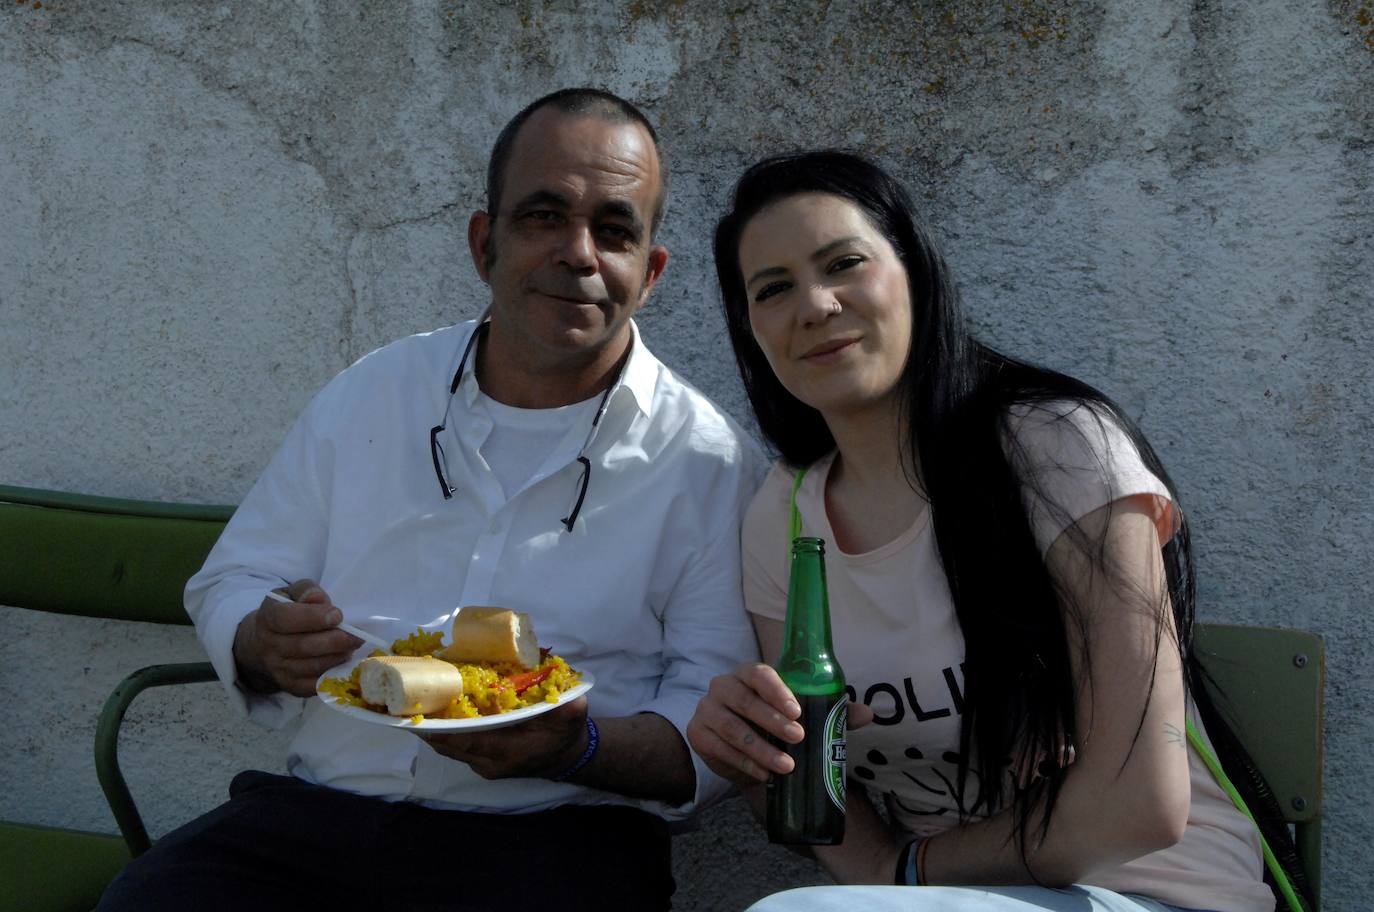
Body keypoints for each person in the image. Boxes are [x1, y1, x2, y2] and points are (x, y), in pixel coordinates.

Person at [98, 88, 764, 912]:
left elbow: (713, 725)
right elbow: (232, 579)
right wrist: (259, 640)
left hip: (554, 840)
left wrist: (576, 747)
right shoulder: (374, 393)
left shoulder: (708, 463)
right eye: (543, 217)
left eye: (615, 231)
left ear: (651, 273)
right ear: (485, 243)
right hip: (317, 821)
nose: (579, 254)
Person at [686, 151, 1299, 912]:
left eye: (843, 263)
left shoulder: (1056, 447)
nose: (813, 305)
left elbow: (1140, 807)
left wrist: (904, 872)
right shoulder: (782, 514)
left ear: (914, 272)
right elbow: (816, 789)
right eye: (772, 289)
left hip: (1157, 894)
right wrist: (757, 754)